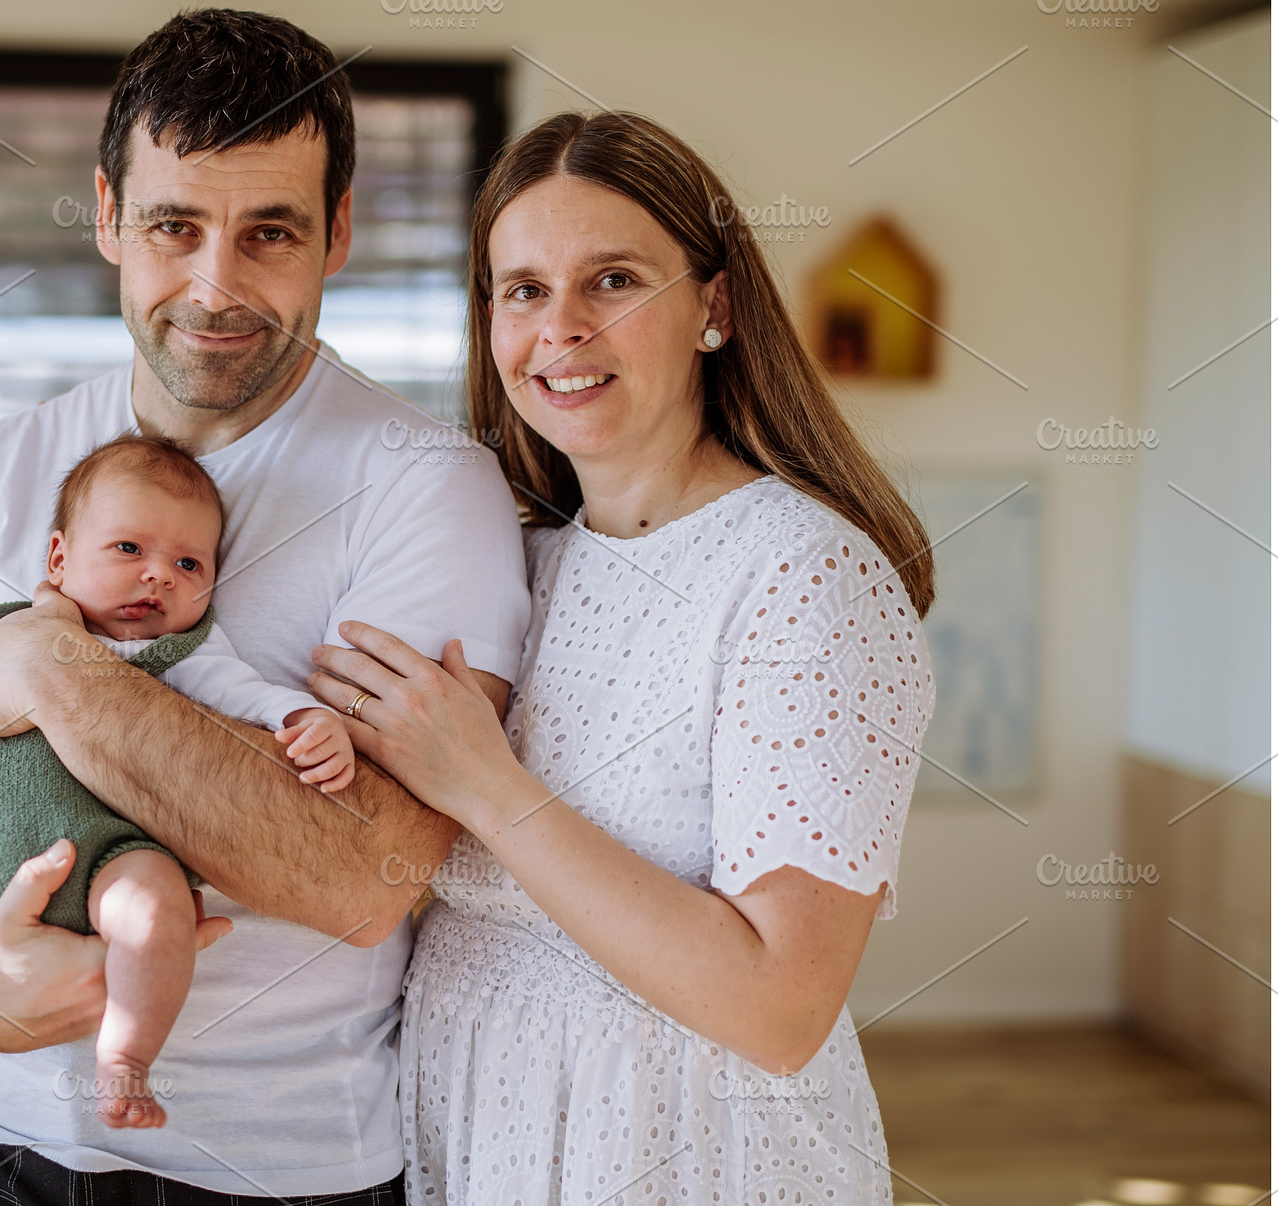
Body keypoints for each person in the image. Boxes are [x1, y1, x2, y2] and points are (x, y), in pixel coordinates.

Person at [0, 10, 531, 1203]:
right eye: (173, 225)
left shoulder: (426, 491)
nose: (216, 286)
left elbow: (365, 878)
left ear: (338, 232)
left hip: (270, 1169)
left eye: (270, 232)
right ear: (107, 214)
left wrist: (51, 671)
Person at [300, 112, 939, 1203]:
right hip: (477, 1128)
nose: (561, 331)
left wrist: (487, 789)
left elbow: (779, 1008)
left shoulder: (803, 576)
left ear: (713, 307)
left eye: (612, 281)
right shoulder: (513, 562)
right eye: (522, 290)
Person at [0, 435, 355, 1182]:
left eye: (190, 564)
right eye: (129, 547)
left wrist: (305, 722)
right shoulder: (5, 634)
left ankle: (125, 1056)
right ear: (59, 561)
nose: (160, 574)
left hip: (110, 856)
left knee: (159, 909)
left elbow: (255, 701)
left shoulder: (188, 654)